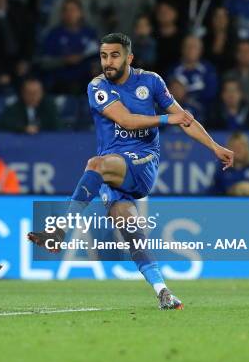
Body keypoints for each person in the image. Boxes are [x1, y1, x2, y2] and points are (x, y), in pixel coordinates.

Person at [28, 33, 234, 310]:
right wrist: (165, 118)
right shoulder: (97, 86)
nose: (108, 62)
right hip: (113, 172)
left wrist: (214, 146)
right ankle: (163, 291)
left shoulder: (151, 82)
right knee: (130, 231)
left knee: (95, 164)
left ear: (129, 57)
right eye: (103, 56)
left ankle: (60, 230)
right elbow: (125, 119)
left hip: (141, 162)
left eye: (114, 55)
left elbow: (185, 118)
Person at [38, 0, 98, 95]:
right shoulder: (53, 35)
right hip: (60, 85)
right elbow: (44, 63)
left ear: (81, 13)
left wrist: (96, 67)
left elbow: (98, 57)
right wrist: (64, 60)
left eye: (73, 10)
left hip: (87, 85)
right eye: (66, 10)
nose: (70, 13)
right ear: (62, 14)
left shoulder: (90, 33)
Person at [168, 35, 219, 104]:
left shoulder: (208, 69)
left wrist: (187, 96)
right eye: (188, 47)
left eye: (194, 47)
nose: (191, 50)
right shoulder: (173, 69)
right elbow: (166, 94)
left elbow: (211, 93)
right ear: (182, 49)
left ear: (201, 50)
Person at [209, 132, 249, 196]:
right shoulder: (222, 166)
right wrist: (233, 190)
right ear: (228, 149)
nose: (238, 149)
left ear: (247, 148)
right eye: (234, 146)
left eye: (241, 145)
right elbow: (214, 190)